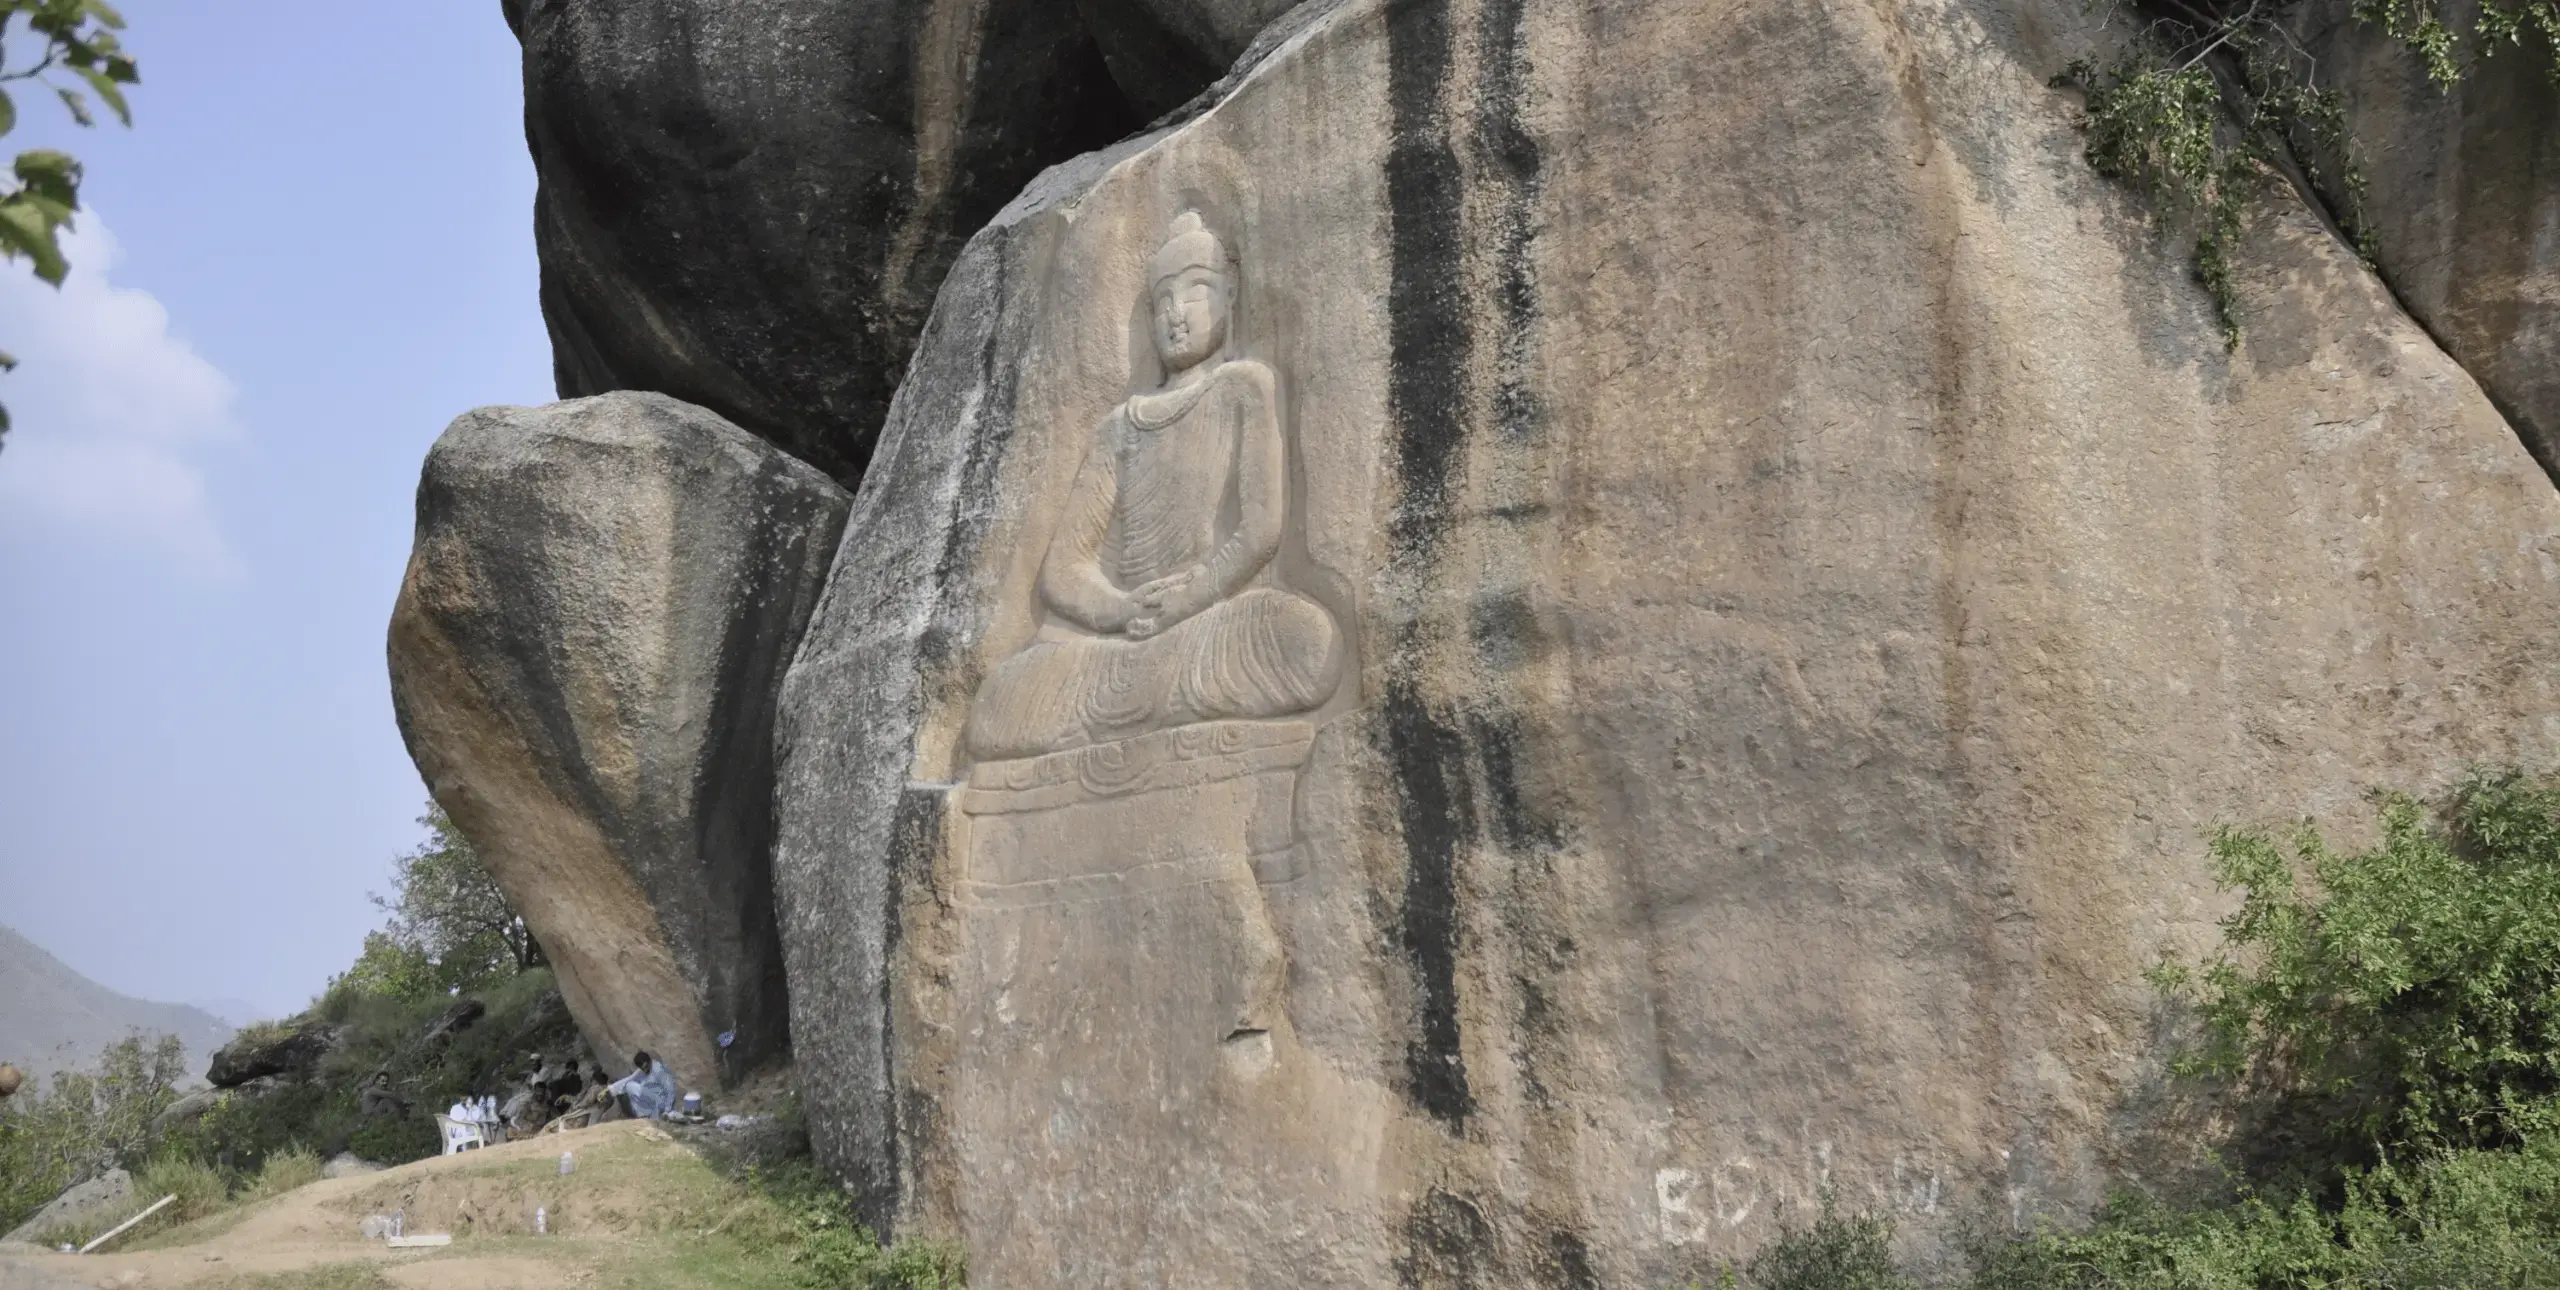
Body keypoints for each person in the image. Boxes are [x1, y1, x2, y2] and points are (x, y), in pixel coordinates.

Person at [607, 1050, 679, 1120]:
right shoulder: (642, 1070)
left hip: (660, 1102)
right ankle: (644, 1116)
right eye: (642, 1069)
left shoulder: (659, 1070)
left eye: (646, 1067)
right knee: (629, 1086)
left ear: (650, 1061)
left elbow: (670, 1090)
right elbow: (630, 1079)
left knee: (631, 1086)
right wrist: (610, 1090)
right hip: (651, 1101)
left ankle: (651, 1115)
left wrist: (667, 1110)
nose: (644, 1070)